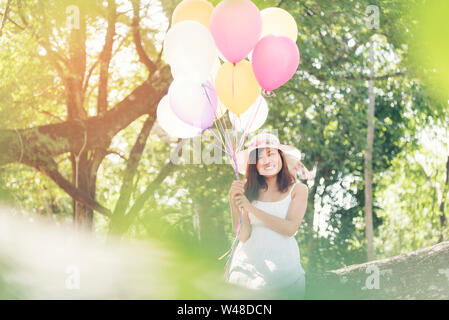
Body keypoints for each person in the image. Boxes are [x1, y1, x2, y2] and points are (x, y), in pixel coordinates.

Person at [226, 132, 311, 299]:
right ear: (254, 165)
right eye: (259, 157)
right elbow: (243, 235)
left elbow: (290, 228)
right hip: (247, 265)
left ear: (281, 156)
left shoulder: (298, 190)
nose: (266, 161)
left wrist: (251, 208)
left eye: (270, 153)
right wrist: (233, 203)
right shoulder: (249, 191)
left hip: (282, 265)